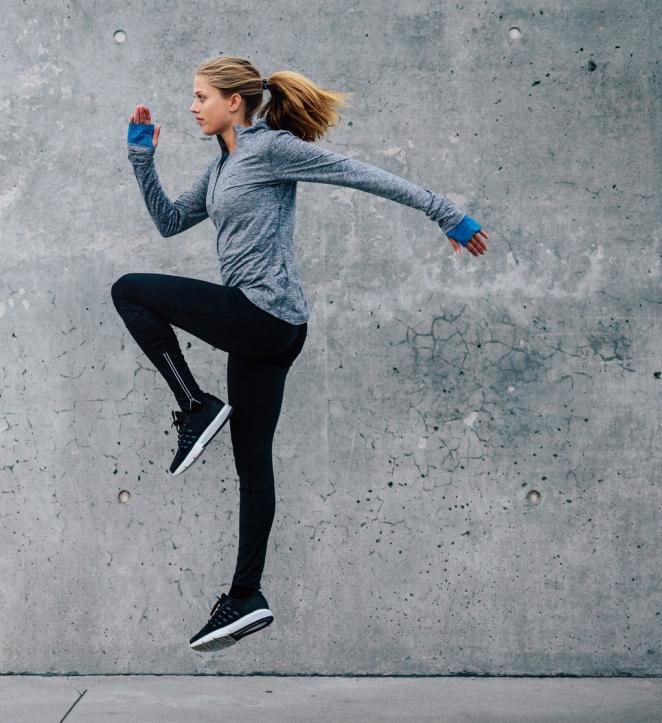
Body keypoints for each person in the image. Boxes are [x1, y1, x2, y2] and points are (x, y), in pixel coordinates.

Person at [111, 56, 490, 653]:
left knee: (129, 290)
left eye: (200, 96)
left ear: (234, 101)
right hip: (270, 328)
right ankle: (245, 596)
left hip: (262, 316)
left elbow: (358, 173)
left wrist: (449, 214)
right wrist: (141, 157)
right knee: (252, 465)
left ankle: (195, 406)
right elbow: (168, 222)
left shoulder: (269, 150)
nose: (192, 107)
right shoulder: (223, 169)